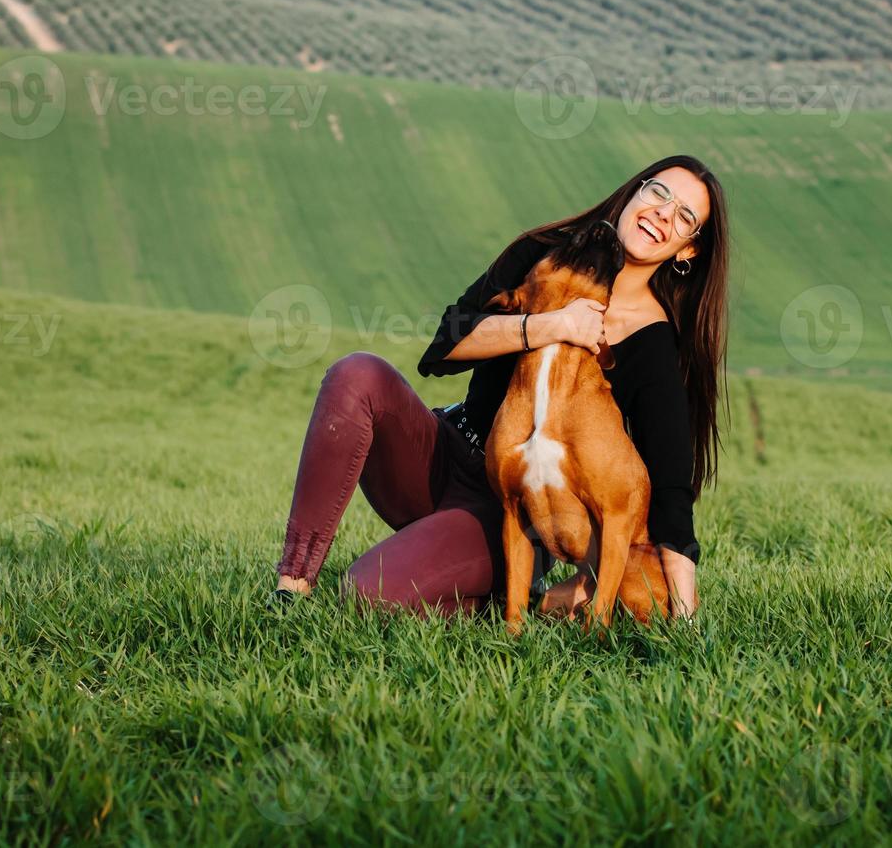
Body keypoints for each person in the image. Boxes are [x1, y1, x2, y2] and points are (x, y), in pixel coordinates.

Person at [271, 154, 729, 622]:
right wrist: (552, 325)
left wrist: (686, 618)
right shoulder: (543, 252)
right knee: (357, 373)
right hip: (442, 453)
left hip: (508, 513)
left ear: (687, 250)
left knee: (367, 595)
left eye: (685, 216)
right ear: (637, 190)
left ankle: (502, 595)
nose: (662, 214)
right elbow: (444, 347)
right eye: (659, 193)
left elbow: (671, 489)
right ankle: (292, 585)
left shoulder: (652, 343)